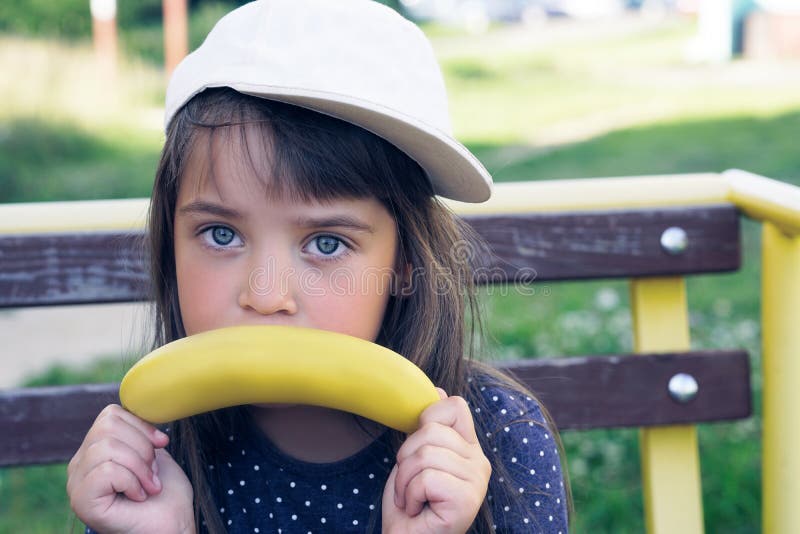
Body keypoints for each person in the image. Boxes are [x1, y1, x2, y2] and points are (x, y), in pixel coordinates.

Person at [66, 0, 570, 532]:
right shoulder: (148, 460)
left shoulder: (499, 440)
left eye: (326, 243)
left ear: (403, 262)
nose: (265, 295)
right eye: (221, 234)